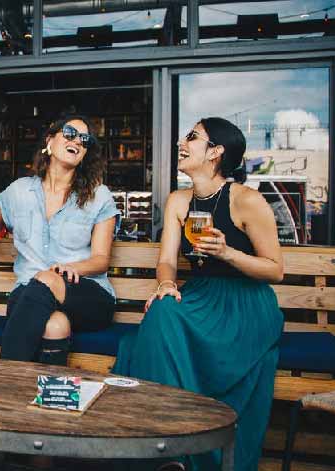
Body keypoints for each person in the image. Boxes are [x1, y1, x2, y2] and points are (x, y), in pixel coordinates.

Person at [114, 118, 284, 471]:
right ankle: (164, 454)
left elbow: (275, 269)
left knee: (151, 332)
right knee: (161, 312)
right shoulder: (179, 201)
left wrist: (228, 254)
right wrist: (165, 284)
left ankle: (190, 451)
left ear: (216, 152)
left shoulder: (247, 200)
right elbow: (167, 261)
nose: (182, 142)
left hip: (244, 304)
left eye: (192, 137)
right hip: (201, 295)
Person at [0, 117, 119, 366]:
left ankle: (3, 377)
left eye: (84, 139)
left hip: (84, 293)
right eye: (69, 133)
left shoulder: (99, 196)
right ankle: (49, 399)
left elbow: (101, 260)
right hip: (28, 293)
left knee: (47, 278)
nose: (77, 141)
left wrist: (71, 269)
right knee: (56, 325)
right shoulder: (19, 191)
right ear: (50, 140)